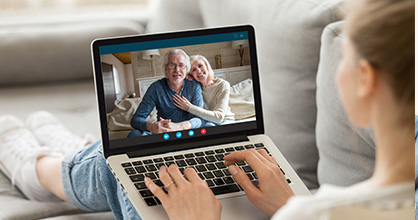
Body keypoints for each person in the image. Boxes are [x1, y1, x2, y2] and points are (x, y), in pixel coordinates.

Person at [0, 0, 413, 219]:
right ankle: (66, 155)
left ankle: (41, 170)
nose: (184, 70)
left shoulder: (321, 212)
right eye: (179, 66)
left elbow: (210, 117)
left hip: (188, 148)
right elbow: (140, 119)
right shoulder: (162, 88)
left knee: (121, 168)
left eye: (343, 56)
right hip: (177, 141)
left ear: (365, 79)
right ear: (169, 69)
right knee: (140, 152)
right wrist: (155, 122)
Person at [128, 49, 206, 137]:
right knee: (134, 134)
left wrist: (180, 126)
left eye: (181, 65)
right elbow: (136, 119)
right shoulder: (156, 88)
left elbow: (201, 118)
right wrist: (152, 126)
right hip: (164, 135)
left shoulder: (194, 86)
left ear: (186, 69)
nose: (177, 70)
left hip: (188, 134)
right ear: (166, 68)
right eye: (172, 65)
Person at [172, 55, 235, 127]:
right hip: (208, 121)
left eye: (200, 66)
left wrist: (189, 107)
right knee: (208, 127)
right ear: (191, 74)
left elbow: (219, 117)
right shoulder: (195, 87)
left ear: (207, 66)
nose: (198, 71)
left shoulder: (223, 85)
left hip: (225, 119)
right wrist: (185, 77)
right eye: (193, 70)